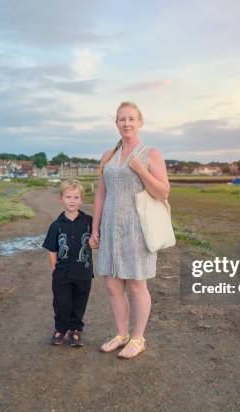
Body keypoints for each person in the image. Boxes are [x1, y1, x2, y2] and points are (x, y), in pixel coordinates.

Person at [90, 102, 170, 359]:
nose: (126, 123)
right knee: (113, 285)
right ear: (116, 123)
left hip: (137, 228)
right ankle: (121, 334)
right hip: (110, 228)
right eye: (122, 119)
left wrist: (140, 170)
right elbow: (101, 194)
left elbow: (163, 192)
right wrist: (95, 229)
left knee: (136, 285)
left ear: (140, 122)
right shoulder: (108, 155)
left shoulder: (151, 154)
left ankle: (138, 338)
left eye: (131, 119)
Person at [42, 179, 94, 347]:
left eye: (76, 197)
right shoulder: (56, 225)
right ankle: (60, 329)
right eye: (68, 197)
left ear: (81, 200)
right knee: (61, 302)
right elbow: (52, 250)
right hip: (62, 274)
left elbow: (96, 239)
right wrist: (55, 269)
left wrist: (96, 242)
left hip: (84, 272)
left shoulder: (89, 222)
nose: (72, 201)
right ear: (61, 199)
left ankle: (76, 330)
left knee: (79, 303)